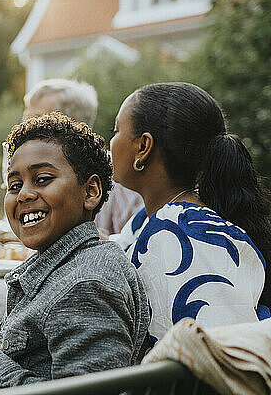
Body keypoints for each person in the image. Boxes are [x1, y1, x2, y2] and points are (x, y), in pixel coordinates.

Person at [0, 112, 150, 391]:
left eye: (43, 179)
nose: (24, 194)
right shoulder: (66, 264)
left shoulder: (87, 284)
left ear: (90, 192)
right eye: (15, 185)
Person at [109, 82, 270, 343]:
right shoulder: (155, 218)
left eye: (115, 130)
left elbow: (224, 352)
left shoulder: (186, 235)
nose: (111, 141)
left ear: (143, 147)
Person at [23, 78, 143, 236]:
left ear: (72, 125)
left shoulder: (118, 175)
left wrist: (79, 238)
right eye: (25, 120)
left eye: (36, 120)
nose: (25, 129)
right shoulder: (28, 175)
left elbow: (134, 244)